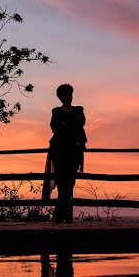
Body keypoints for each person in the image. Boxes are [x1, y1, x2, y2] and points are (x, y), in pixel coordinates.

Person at [45, 84, 87, 223]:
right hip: (59, 152)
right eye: (66, 95)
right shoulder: (56, 112)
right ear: (61, 97)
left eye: (70, 94)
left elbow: (81, 123)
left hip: (73, 152)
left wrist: (67, 127)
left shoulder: (79, 110)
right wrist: (70, 127)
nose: (69, 97)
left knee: (70, 183)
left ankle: (61, 215)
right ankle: (64, 216)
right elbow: (55, 127)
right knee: (62, 183)